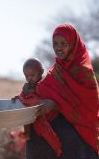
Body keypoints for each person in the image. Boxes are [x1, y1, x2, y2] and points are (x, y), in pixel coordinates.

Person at [26, 23, 99, 159]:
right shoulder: (56, 70)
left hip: (82, 133)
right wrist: (25, 96)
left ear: (73, 44)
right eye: (55, 44)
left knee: (74, 147)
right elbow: (41, 90)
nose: (58, 48)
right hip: (60, 125)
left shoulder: (84, 73)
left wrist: (55, 104)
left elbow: (90, 107)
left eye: (63, 44)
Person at [11, 58, 62, 157]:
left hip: (44, 120)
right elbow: (23, 96)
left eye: (32, 75)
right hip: (30, 120)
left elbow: (47, 100)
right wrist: (17, 98)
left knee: (50, 141)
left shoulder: (44, 86)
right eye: (26, 76)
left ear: (41, 72)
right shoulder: (27, 87)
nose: (29, 78)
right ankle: (26, 134)